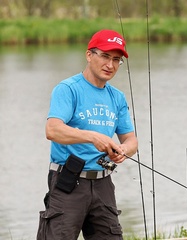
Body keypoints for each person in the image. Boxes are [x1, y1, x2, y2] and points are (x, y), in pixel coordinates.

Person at [37, 29, 138, 240]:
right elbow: (52, 130)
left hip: (103, 185)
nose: (110, 65)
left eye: (116, 60)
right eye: (105, 56)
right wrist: (92, 136)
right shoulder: (68, 89)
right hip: (68, 182)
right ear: (89, 55)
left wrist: (123, 151)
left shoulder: (117, 97)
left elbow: (131, 140)